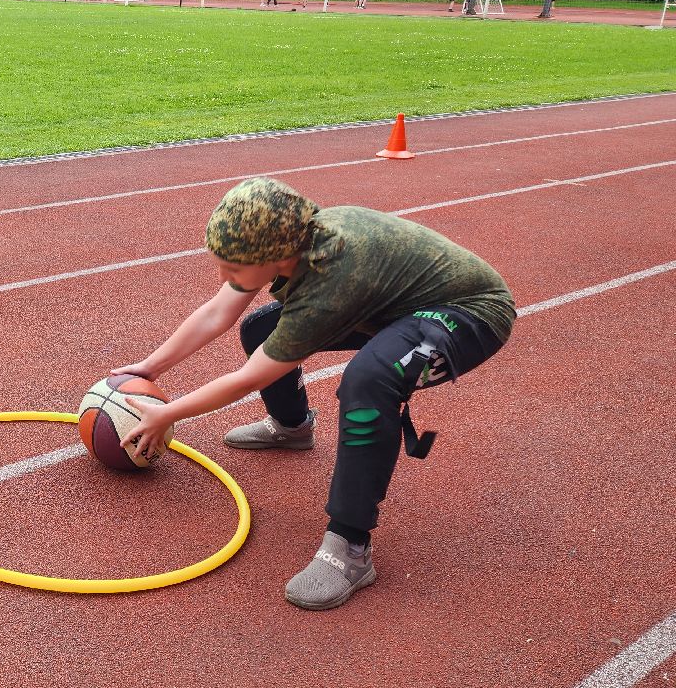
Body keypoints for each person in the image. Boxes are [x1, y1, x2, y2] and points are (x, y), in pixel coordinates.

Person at [116, 177, 515, 611]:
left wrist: (169, 412)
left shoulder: (332, 275)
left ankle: (350, 547)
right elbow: (217, 312)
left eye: (232, 269)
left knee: (370, 380)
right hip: (396, 309)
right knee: (261, 327)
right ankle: (291, 427)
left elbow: (249, 378)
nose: (223, 277)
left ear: (278, 256)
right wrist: (151, 366)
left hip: (469, 315)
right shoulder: (286, 237)